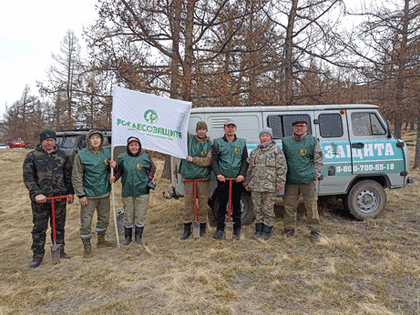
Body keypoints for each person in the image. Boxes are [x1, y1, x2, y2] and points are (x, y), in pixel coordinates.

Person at [23, 129, 74, 268]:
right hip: (41, 200)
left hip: (59, 199)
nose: (49, 143)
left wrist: (70, 192)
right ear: (42, 141)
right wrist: (36, 193)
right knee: (39, 228)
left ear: (55, 141)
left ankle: (60, 250)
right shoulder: (32, 156)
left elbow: (68, 175)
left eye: (52, 140)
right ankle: (38, 254)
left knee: (59, 227)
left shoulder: (62, 155)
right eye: (47, 141)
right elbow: (28, 177)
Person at [72, 130, 114, 257]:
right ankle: (87, 246)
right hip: (88, 195)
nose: (96, 140)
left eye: (98, 138)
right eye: (93, 138)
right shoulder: (81, 155)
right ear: (88, 140)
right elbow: (77, 176)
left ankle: (101, 241)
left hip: (104, 193)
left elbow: (112, 171)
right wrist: (81, 195)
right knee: (86, 221)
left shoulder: (108, 153)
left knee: (104, 219)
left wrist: (114, 167)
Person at [281, 118, 324, 243]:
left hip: (307, 181)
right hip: (291, 180)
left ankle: (314, 230)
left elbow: (319, 160)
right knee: (289, 206)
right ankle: (289, 229)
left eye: (302, 126)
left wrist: (315, 175)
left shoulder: (312, 141)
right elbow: (282, 161)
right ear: (293, 128)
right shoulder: (286, 141)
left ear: (306, 128)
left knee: (311, 206)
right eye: (297, 126)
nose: (299, 128)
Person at [110, 136, 156, 245]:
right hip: (127, 191)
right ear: (128, 146)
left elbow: (152, 169)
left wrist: (148, 179)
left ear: (139, 146)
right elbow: (119, 171)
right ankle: (127, 238)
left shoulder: (146, 157)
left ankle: (138, 237)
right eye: (131, 145)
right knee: (128, 215)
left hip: (142, 191)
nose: (134, 147)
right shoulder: (122, 157)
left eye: (136, 145)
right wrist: (115, 175)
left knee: (140, 215)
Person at [244, 128, 287, 240]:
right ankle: (258, 230)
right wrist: (247, 182)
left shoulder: (276, 151)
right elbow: (250, 169)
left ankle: (266, 231)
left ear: (270, 137)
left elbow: (282, 168)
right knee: (257, 209)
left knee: (267, 209)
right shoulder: (254, 152)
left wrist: (280, 183)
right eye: (262, 136)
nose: (264, 138)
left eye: (266, 136)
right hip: (256, 186)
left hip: (270, 186)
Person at [211, 118, 248, 239]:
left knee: (236, 204)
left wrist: (242, 174)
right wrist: (218, 174)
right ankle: (220, 229)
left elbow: (244, 160)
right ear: (224, 128)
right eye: (228, 127)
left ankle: (237, 228)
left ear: (235, 129)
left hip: (237, 180)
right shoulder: (217, 142)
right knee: (222, 204)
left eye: (232, 127)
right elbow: (214, 160)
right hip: (223, 180)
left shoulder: (242, 142)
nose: (230, 129)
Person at [178, 121, 212, 240]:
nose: (202, 131)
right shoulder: (189, 140)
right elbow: (179, 132)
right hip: (189, 178)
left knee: (203, 202)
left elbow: (207, 161)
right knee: (188, 203)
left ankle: (202, 227)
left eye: (204, 129)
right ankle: (187, 228)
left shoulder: (210, 144)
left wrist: (193, 160)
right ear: (196, 131)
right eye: (199, 129)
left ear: (206, 131)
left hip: (203, 178)